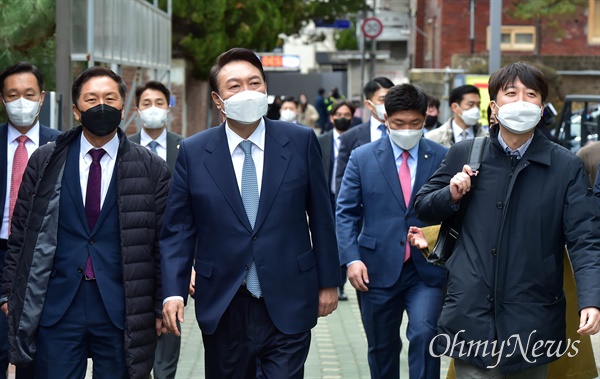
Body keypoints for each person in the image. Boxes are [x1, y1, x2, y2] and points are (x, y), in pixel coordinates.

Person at [159, 47, 341, 379]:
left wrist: (330, 281)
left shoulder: (299, 141)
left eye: (254, 82)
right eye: (235, 86)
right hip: (224, 302)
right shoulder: (194, 151)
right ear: (218, 99)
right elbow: (179, 231)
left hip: (289, 295)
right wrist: (173, 290)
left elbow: (321, 215)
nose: (247, 92)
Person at [414, 61, 600, 378]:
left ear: (542, 109)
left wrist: (591, 300)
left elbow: (585, 240)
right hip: (470, 310)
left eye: (531, 95)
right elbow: (423, 206)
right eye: (511, 93)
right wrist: (451, 193)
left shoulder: (565, 166)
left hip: (533, 316)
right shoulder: (465, 153)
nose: (521, 102)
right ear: (495, 107)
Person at [0, 66, 171, 378]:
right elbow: (21, 232)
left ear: (124, 108)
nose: (101, 106)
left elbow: (162, 243)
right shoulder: (46, 160)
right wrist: (9, 292)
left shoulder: (152, 169)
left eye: (110, 98)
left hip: (123, 309)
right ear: (77, 111)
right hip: (57, 306)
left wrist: (159, 303)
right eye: (91, 99)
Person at [336, 83, 448, 379]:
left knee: (426, 336)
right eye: (399, 123)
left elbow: (456, 213)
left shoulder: (443, 156)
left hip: (426, 268)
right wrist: (351, 259)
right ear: (386, 119)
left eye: (415, 123)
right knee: (382, 347)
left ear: (425, 120)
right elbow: (345, 212)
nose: (407, 129)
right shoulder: (362, 157)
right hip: (375, 268)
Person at [407, 227, 599, 379]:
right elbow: (481, 219)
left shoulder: (562, 179)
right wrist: (434, 236)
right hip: (487, 300)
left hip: (542, 294)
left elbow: (582, 234)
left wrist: (590, 299)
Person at [0, 62, 61, 379]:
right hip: (1, 249)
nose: (20, 102)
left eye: (29, 94)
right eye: (12, 95)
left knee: (38, 350)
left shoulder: (62, 145)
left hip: (43, 258)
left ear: (41, 98)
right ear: (2, 99)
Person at [129, 80, 184, 379]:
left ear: (169, 107)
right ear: (137, 110)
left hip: (174, 251)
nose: (153, 109)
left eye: (159, 103)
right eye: (146, 103)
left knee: (170, 325)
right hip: (136, 251)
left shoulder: (185, 147)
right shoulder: (124, 148)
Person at [317, 99, 356, 302]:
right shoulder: (320, 140)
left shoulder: (357, 140)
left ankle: (340, 283)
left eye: (347, 115)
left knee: (344, 238)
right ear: (331, 117)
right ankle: (328, 279)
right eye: (339, 115)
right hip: (327, 198)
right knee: (328, 240)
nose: (342, 118)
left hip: (348, 199)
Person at [335, 77, 395, 193]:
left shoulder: (406, 133)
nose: (388, 104)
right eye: (382, 100)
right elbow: (342, 180)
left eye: (391, 99)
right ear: (368, 104)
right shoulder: (350, 137)